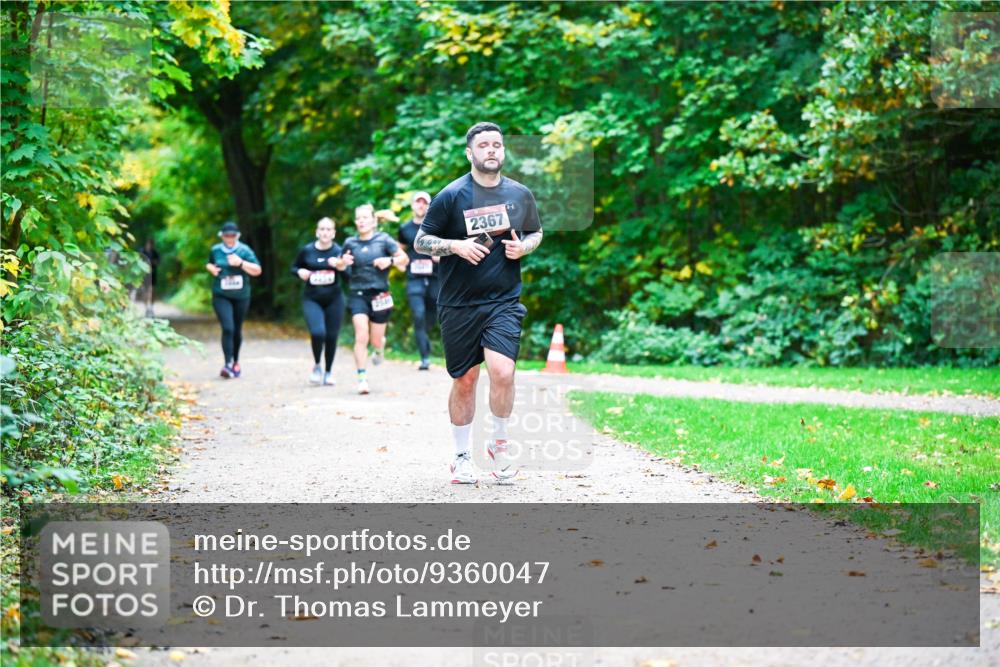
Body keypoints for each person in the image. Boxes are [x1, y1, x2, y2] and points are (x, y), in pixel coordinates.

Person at [414, 121, 543, 484]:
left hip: (503, 300)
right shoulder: (452, 196)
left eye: (497, 145)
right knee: (466, 379)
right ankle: (460, 455)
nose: (491, 150)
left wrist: (524, 247)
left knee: (503, 372)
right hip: (458, 304)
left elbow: (535, 231)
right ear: (470, 153)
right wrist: (455, 246)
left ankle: (499, 446)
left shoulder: (519, 194)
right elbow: (422, 242)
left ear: (503, 151)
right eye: (483, 145)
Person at [340, 204, 408, 394]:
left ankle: (379, 348)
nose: (361, 221)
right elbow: (338, 264)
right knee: (361, 335)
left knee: (376, 340)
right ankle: (362, 378)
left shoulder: (384, 240)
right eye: (358, 218)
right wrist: (341, 263)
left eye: (364, 218)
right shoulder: (350, 243)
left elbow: (404, 260)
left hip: (380, 295)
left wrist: (390, 261)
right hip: (357, 294)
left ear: (373, 221)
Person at [290, 217, 352, 386]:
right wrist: (300, 272)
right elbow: (293, 268)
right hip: (312, 298)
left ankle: (329, 371)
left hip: (334, 299)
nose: (325, 232)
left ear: (333, 233)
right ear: (317, 232)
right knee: (318, 333)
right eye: (322, 229)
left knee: (332, 336)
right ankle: (317, 365)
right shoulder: (307, 251)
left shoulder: (339, 251)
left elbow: (349, 278)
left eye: (328, 229)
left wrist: (341, 267)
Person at [206, 221, 262, 379]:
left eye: (232, 236)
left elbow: (258, 270)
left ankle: (236, 362)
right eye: (226, 236)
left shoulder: (244, 250)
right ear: (222, 236)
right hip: (221, 295)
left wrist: (241, 263)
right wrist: (210, 268)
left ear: (237, 236)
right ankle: (227, 364)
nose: (229, 238)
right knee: (228, 328)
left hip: (241, 296)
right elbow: (210, 263)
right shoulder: (216, 250)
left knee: (237, 329)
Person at [397, 190, 440, 370]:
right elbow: (399, 249)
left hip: (435, 278)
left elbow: (445, 247)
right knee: (418, 314)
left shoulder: (437, 227)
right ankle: (424, 357)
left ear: (429, 207)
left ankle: (425, 342)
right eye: (418, 202)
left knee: (435, 314)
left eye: (424, 203)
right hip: (414, 278)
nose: (421, 205)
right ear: (413, 205)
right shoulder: (405, 228)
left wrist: (440, 255)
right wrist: (400, 263)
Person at [139, 238, 160, 317]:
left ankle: (151, 307)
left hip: (153, 275)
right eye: (149, 244)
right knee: (145, 292)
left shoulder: (155, 253)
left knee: (152, 291)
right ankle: (146, 308)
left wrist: (152, 262)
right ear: (146, 244)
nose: (150, 246)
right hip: (144, 275)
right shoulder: (142, 251)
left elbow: (158, 262)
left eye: (151, 245)